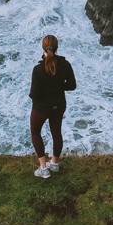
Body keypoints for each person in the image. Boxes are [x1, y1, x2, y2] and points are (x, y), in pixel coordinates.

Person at [29, 34, 76, 178]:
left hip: (41, 108)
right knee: (56, 133)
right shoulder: (65, 65)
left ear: (43, 48)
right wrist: (59, 86)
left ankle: (43, 168)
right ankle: (54, 163)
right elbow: (72, 85)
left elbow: (34, 94)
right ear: (57, 47)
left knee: (35, 132)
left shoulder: (38, 69)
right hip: (59, 105)